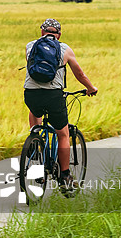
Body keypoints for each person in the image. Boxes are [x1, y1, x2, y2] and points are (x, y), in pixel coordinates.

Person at [23, 17, 97, 190]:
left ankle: (35, 140)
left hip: (31, 94)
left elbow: (32, 69)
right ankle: (64, 175)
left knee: (35, 111)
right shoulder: (65, 49)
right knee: (62, 133)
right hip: (54, 96)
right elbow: (80, 74)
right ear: (59, 34)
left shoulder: (30, 46)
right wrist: (90, 88)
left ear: (42, 32)